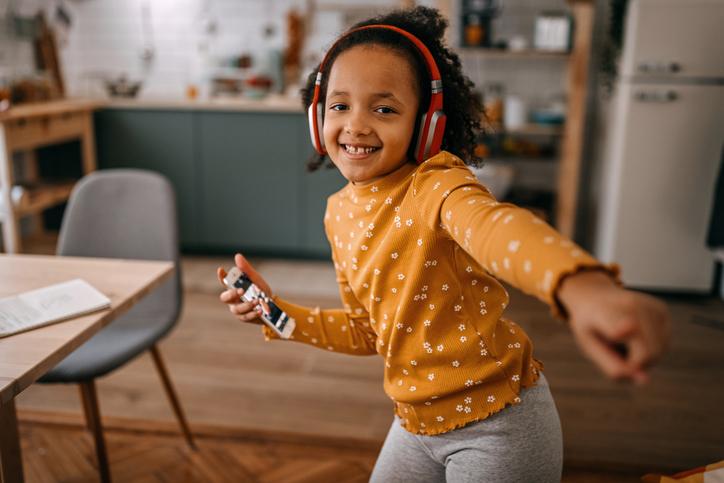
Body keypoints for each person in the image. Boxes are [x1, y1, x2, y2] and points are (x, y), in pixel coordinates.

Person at [217, 7, 670, 482]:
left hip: (500, 427)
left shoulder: (437, 185)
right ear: (317, 116)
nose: (355, 125)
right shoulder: (337, 212)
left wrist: (582, 287)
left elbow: (498, 229)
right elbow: (366, 331)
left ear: (427, 124)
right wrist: (277, 313)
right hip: (413, 425)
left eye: (385, 108)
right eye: (339, 105)